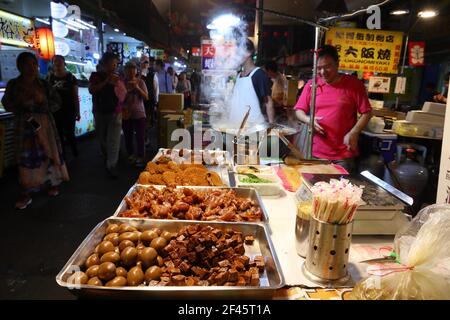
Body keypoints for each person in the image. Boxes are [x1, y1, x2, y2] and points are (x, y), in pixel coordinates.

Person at [2, 52, 69, 209]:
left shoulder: (44, 84)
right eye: (27, 64)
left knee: (48, 153)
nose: (31, 67)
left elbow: (57, 103)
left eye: (33, 64)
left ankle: (52, 184)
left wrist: (42, 103)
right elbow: (6, 104)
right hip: (23, 126)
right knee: (25, 158)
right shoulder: (14, 84)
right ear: (19, 67)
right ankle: (25, 192)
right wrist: (21, 104)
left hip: (44, 124)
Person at [294, 45, 372, 173]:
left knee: (341, 190)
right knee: (317, 189)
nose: (323, 72)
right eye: (319, 68)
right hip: (317, 152)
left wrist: (354, 132)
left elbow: (367, 112)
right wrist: (309, 120)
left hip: (344, 153)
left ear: (337, 64)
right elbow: (298, 111)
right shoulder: (312, 85)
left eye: (327, 66)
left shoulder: (353, 84)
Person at [88, 52, 127, 178]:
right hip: (100, 112)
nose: (115, 66)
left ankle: (112, 165)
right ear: (105, 63)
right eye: (113, 63)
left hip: (116, 111)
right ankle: (108, 157)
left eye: (116, 63)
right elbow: (91, 90)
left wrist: (121, 86)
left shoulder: (118, 77)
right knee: (103, 139)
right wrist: (106, 81)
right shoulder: (96, 76)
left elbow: (122, 94)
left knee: (114, 139)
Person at [229, 39, 275, 126]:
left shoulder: (259, 74)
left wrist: (271, 126)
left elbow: (268, 102)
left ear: (249, 52)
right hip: (235, 126)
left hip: (253, 127)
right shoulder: (239, 76)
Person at [48, 55, 80, 158]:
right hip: (54, 111)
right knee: (58, 134)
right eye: (55, 62)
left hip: (69, 110)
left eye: (60, 62)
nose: (57, 64)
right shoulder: (49, 78)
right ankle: (62, 155)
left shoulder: (71, 78)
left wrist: (77, 111)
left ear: (64, 64)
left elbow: (75, 96)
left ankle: (75, 152)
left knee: (69, 133)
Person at [122, 61, 148, 167]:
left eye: (133, 70)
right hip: (126, 113)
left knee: (140, 136)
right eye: (128, 70)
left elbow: (146, 97)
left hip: (139, 113)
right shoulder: (122, 83)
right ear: (125, 71)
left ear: (136, 71)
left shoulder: (141, 82)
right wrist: (127, 90)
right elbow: (119, 99)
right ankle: (131, 154)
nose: (131, 72)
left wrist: (137, 87)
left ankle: (140, 156)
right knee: (128, 136)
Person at [140, 56, 158, 128]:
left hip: (149, 99)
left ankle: (145, 133)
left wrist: (156, 100)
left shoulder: (153, 75)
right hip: (139, 99)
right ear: (140, 63)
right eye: (143, 63)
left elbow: (156, 88)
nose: (145, 65)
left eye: (146, 63)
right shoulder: (137, 74)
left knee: (147, 116)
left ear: (148, 64)